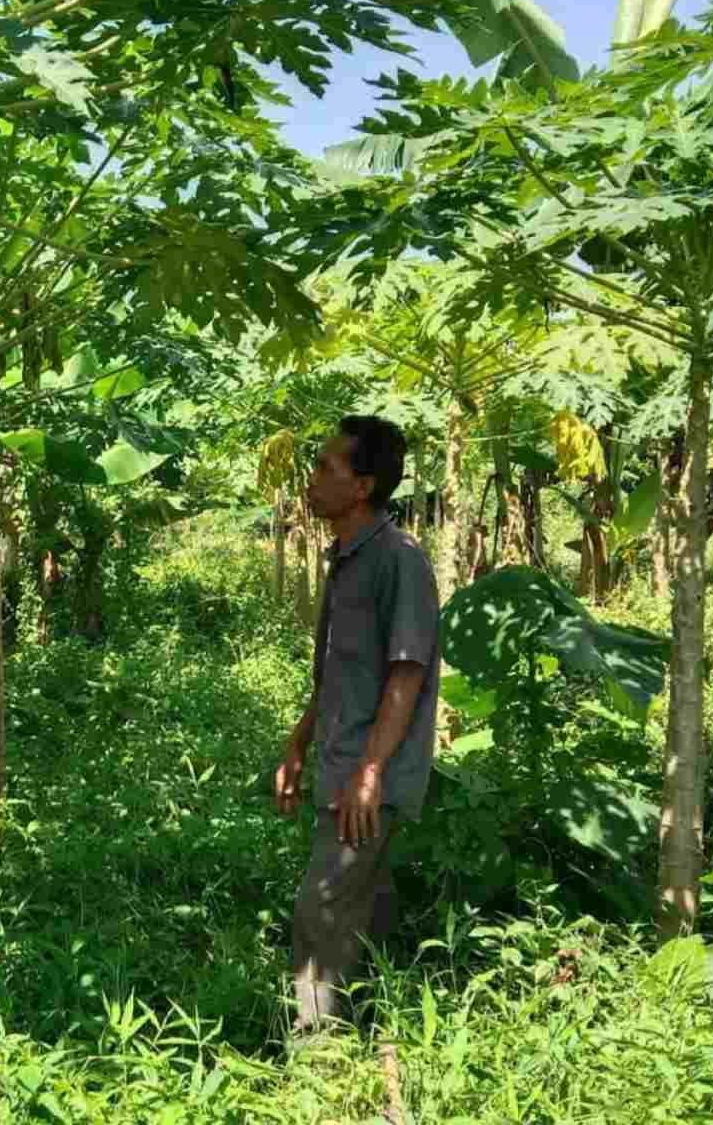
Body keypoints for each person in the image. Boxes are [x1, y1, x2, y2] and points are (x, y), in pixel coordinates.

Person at [273, 415, 439, 1036]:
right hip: (343, 765)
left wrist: (370, 772)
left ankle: (317, 1052)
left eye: (326, 467)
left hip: (369, 778)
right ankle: (371, 1032)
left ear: (363, 486)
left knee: (322, 910)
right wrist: (298, 743)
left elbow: (406, 674)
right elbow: (338, 675)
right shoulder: (346, 558)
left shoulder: (399, 561)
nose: (312, 479)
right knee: (356, 911)